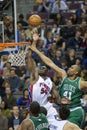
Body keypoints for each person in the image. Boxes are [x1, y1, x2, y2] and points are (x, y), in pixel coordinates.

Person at [29, 31, 86, 128]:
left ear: (77, 72)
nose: (69, 68)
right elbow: (50, 63)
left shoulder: (80, 82)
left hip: (75, 111)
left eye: (72, 68)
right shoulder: (64, 75)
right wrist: (36, 50)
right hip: (63, 111)